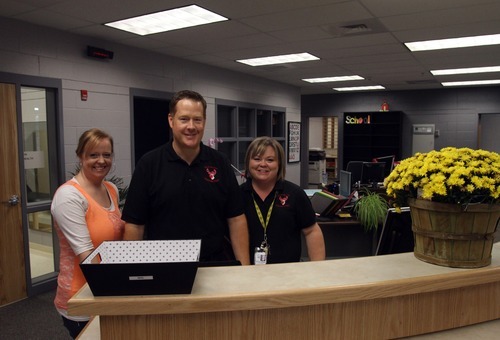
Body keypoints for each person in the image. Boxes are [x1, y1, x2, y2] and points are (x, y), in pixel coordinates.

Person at [122, 90, 250, 265]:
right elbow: (134, 225)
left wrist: (244, 269)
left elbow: (236, 219)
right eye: (184, 119)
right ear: (171, 120)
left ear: (204, 122)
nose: (191, 126)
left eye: (197, 119)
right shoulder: (149, 164)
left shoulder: (220, 163)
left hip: (214, 264)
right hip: (164, 267)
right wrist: (132, 273)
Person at [51, 128, 124, 338]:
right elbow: (87, 256)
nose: (101, 161)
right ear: (80, 156)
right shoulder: (69, 196)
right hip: (81, 297)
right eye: (93, 155)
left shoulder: (110, 189)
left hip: (108, 291)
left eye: (106, 155)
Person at [241, 136, 325, 264]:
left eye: (270, 160)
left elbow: (311, 231)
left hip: (288, 273)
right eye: (257, 159)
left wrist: (318, 269)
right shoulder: (237, 195)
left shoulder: (295, 194)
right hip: (248, 272)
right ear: (248, 162)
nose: (263, 164)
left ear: (279, 164)